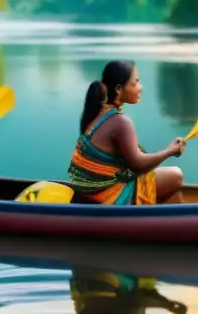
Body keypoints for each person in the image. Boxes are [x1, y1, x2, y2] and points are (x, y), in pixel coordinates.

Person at [67, 60, 186, 205]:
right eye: (135, 83)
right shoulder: (120, 123)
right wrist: (170, 151)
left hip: (90, 194)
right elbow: (138, 165)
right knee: (176, 176)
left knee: (173, 193)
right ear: (118, 89)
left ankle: (167, 224)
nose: (140, 88)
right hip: (107, 196)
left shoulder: (97, 113)